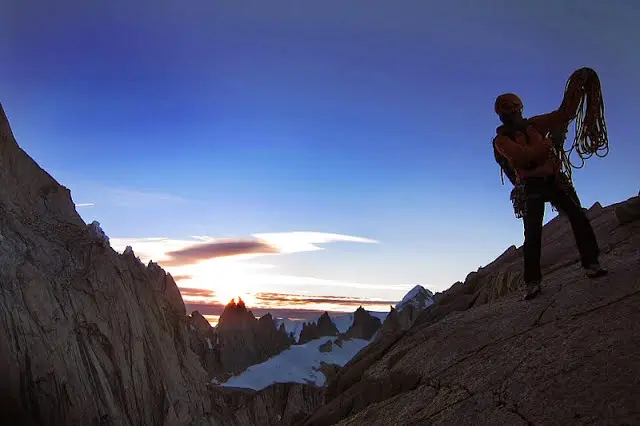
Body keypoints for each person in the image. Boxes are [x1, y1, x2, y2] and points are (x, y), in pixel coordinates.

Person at [493, 91, 608, 300]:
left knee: (577, 219)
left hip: (550, 181)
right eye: (509, 110)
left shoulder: (533, 125)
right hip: (533, 185)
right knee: (535, 233)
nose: (512, 113)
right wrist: (549, 143)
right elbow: (522, 157)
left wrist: (578, 88)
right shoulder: (501, 141)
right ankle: (535, 281)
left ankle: (590, 264)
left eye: (513, 109)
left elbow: (563, 114)